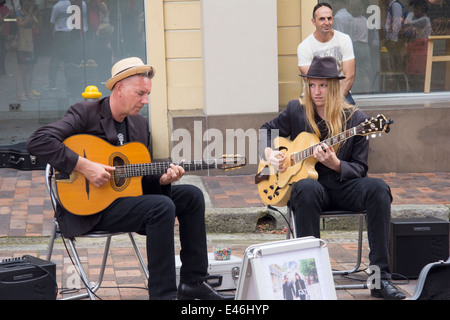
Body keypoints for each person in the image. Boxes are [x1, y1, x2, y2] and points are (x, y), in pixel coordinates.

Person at [26, 57, 234, 300]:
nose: (145, 101)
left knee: (192, 196)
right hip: (88, 209)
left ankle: (193, 281)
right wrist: (85, 166)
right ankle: (163, 295)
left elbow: (140, 179)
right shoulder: (85, 113)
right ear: (119, 88)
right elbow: (38, 142)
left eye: (147, 94)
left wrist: (163, 180)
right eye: (140, 93)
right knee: (161, 206)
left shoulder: (139, 124)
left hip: (124, 201)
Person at [259, 56, 406, 300]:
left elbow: (360, 168)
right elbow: (267, 129)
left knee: (379, 189)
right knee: (306, 187)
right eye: (312, 85)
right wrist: (270, 153)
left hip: (345, 187)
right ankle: (309, 281)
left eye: (323, 85)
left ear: (334, 86)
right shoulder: (297, 110)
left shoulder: (358, 120)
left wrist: (336, 165)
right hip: (312, 190)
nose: (317, 91)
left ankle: (381, 280)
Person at [297, 2, 355, 105]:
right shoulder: (304, 46)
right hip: (315, 93)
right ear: (313, 22)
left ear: (333, 19)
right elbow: (311, 79)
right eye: (322, 19)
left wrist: (337, 101)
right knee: (298, 114)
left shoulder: (344, 40)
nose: (327, 22)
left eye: (329, 18)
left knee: (352, 116)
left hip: (340, 92)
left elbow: (349, 75)